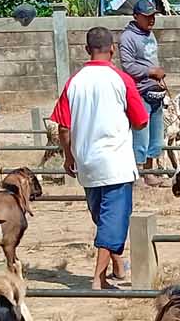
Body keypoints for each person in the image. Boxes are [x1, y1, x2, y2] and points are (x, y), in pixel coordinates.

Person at [49, 27, 150, 291]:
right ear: (113, 48)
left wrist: (68, 155)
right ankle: (98, 278)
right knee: (114, 219)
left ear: (86, 49)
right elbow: (141, 121)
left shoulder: (74, 82)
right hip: (115, 162)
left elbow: (62, 127)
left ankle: (117, 266)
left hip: (87, 162)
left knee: (103, 217)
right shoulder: (121, 79)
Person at [115, 0, 168, 186]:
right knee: (141, 134)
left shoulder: (150, 35)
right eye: (147, 17)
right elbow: (128, 66)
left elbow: (150, 60)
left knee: (156, 134)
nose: (151, 20)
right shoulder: (127, 38)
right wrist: (151, 72)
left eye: (153, 16)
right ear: (136, 16)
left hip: (155, 90)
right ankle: (137, 170)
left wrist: (157, 77)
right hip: (140, 93)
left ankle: (150, 170)